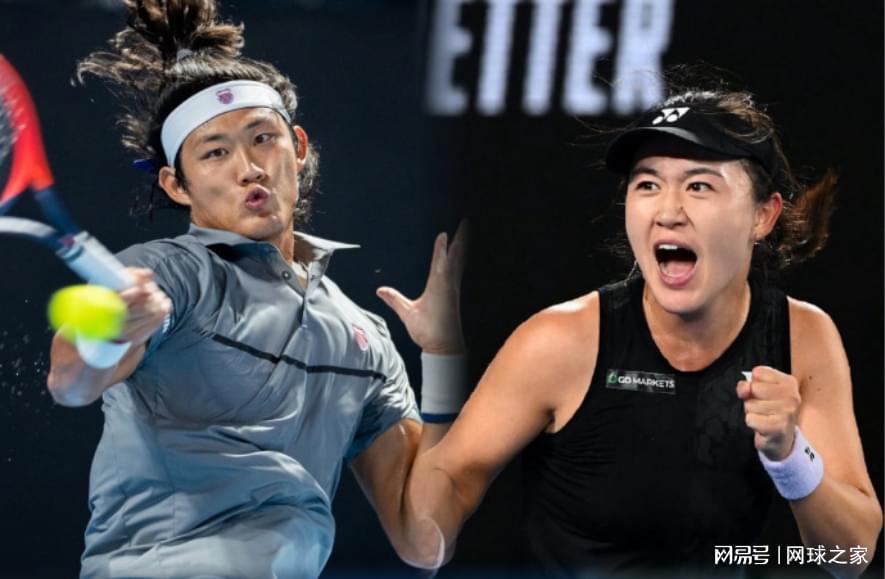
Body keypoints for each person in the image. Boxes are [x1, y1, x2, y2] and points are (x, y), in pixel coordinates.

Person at [46, 0, 464, 577]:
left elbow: (424, 541)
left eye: (263, 138)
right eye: (215, 152)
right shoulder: (170, 273)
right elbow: (70, 383)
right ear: (176, 185)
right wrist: (109, 330)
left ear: (299, 147)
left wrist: (442, 356)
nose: (249, 168)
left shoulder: (365, 338)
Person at [405, 88, 883, 577]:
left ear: (763, 216)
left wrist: (791, 458)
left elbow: (851, 556)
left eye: (699, 186)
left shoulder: (802, 337)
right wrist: (438, 360)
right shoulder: (560, 342)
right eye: (648, 184)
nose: (667, 211)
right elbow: (438, 503)